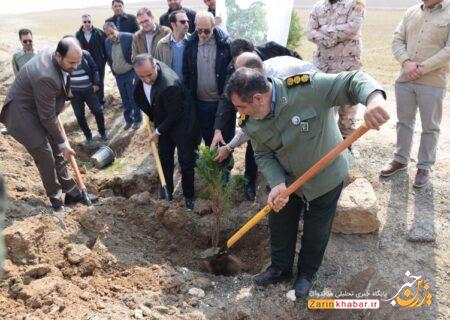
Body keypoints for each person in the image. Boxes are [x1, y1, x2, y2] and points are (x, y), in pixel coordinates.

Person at [226, 67, 388, 298]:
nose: (239, 113)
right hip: (288, 182)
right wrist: (277, 182)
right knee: (279, 223)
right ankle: (280, 270)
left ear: (258, 98)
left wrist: (374, 100)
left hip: (326, 177)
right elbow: (262, 154)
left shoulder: (308, 89)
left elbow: (353, 80)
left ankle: (306, 275)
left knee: (317, 229)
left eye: (241, 107)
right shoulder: (250, 122)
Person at [0, 37, 98, 212]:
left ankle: (72, 193)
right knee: (46, 154)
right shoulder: (45, 76)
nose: (75, 67)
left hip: (39, 107)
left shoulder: (60, 57)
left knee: (57, 150)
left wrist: (66, 92)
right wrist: (63, 143)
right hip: (21, 114)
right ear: (58, 56)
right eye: (72, 63)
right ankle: (56, 199)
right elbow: (47, 117)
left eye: (78, 62)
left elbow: (64, 78)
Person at [211, 38, 303, 200]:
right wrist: (228, 146)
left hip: (302, 113)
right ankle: (279, 185)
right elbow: (249, 125)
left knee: (296, 153)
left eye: (241, 107)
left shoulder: (280, 78)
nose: (239, 112)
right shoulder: (244, 75)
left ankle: (302, 196)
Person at [380, 0, 450, 188]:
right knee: (403, 122)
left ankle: (424, 167)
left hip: (433, 81)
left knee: (430, 127)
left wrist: (421, 68)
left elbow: (448, 50)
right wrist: (406, 62)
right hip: (405, 80)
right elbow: (397, 39)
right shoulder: (411, 11)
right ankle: (400, 160)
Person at [215, 53, 320, 163]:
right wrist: (229, 147)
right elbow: (251, 124)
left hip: (315, 104)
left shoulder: (276, 82)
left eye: (242, 75)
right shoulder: (257, 82)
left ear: (253, 71)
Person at [133, 54, 197, 210]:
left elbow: (175, 114)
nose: (147, 79)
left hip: (183, 124)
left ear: (155, 65)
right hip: (163, 120)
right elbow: (144, 97)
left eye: (149, 75)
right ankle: (166, 192)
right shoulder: (143, 74)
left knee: (186, 161)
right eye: (142, 76)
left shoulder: (169, 85)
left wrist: (158, 131)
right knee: (165, 158)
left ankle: (189, 196)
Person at [307, 0, 366, 141]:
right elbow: (309, 33)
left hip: (347, 65)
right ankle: (323, 143)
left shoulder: (356, 3)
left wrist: (323, 31)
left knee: (348, 108)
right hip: (323, 66)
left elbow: (352, 27)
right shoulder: (318, 7)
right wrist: (334, 36)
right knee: (322, 106)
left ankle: (346, 145)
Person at [183, 11, 232, 148]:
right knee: (208, 138)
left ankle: (225, 168)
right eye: (199, 31)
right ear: (195, 26)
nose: (203, 35)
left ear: (214, 26)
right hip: (200, 103)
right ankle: (212, 166)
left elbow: (231, 75)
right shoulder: (190, 45)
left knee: (224, 139)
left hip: (221, 103)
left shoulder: (225, 44)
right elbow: (186, 73)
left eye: (207, 31)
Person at [104, 22, 142, 130]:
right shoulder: (107, 42)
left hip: (130, 72)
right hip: (119, 75)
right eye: (108, 34)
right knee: (124, 98)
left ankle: (137, 120)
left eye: (112, 33)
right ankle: (128, 120)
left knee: (133, 97)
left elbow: (137, 53)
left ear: (116, 29)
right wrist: (115, 72)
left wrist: (136, 69)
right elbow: (109, 59)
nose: (111, 36)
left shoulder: (128, 37)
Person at [70, 50, 108, 144]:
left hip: (88, 89)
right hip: (74, 93)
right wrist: (67, 90)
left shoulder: (85, 54)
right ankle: (88, 136)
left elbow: (95, 68)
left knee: (98, 111)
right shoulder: (64, 59)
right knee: (79, 115)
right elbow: (62, 75)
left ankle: (103, 132)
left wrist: (96, 83)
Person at [76, 14, 107, 107]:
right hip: (86, 63)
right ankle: (94, 102)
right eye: (85, 22)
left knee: (99, 81)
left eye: (89, 21)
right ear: (82, 23)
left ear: (92, 22)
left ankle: (100, 102)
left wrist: (104, 59)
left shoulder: (99, 33)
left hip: (99, 62)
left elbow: (105, 47)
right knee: (90, 82)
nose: (87, 23)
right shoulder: (78, 35)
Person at [154, 9, 190, 80]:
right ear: (173, 24)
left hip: (189, 87)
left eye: (187, 21)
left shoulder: (193, 42)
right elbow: (158, 68)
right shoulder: (162, 44)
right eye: (182, 22)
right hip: (171, 87)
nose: (186, 24)